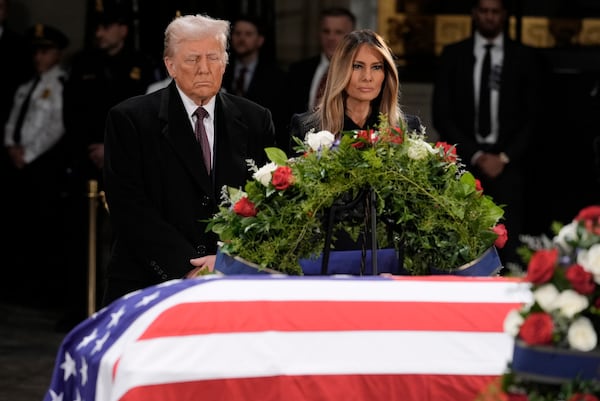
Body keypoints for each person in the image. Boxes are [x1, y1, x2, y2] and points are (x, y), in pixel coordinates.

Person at [102, 14, 276, 305]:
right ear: (170, 65)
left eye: (213, 57)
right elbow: (128, 206)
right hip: (149, 280)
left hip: (232, 280)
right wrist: (189, 265)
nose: (204, 69)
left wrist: (224, 260)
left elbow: (266, 201)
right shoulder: (129, 120)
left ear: (225, 62)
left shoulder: (256, 119)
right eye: (193, 59)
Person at [289, 29, 421, 253]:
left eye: (376, 67)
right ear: (341, 70)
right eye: (357, 66)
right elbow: (298, 207)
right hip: (329, 255)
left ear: (386, 74)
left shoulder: (406, 129)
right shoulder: (308, 128)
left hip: (388, 255)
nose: (367, 77)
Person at [431, 0, 541, 270]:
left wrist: (504, 156)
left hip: (510, 163)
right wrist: (477, 155)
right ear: (474, 14)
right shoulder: (454, 55)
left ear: (503, 15)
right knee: (461, 236)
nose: (489, 17)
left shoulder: (523, 57)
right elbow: (442, 113)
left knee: (510, 237)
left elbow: (534, 115)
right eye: (484, 11)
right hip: (467, 160)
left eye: (495, 11)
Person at [2, 23, 69, 303]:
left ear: (57, 54)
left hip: (42, 164)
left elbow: (55, 127)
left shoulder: (60, 84)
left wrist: (28, 154)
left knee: (42, 226)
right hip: (17, 161)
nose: (38, 57)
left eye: (45, 51)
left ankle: (40, 290)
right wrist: (11, 146)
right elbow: (13, 118)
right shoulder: (27, 85)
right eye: (36, 52)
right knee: (18, 224)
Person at [284, 7, 356, 146]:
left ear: (351, 36)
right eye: (326, 31)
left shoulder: (358, 73)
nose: (331, 38)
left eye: (338, 32)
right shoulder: (298, 70)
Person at [222, 15, 287, 151]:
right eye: (237, 33)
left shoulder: (276, 77)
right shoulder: (221, 71)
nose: (242, 39)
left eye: (248, 34)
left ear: (260, 40)